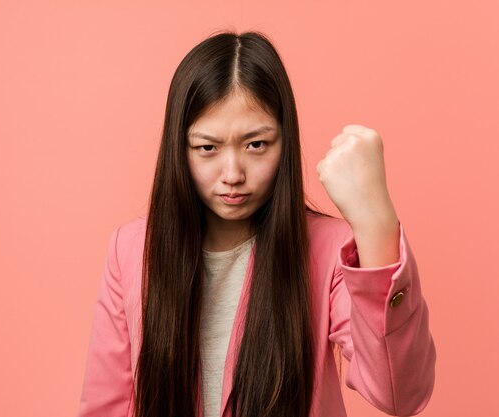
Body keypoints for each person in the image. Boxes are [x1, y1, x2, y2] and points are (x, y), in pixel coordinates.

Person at [76, 31, 436, 417]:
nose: (232, 174)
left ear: (286, 140)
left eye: (256, 145)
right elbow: (107, 406)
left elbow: (400, 394)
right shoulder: (130, 249)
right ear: (178, 149)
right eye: (207, 148)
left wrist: (375, 219)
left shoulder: (331, 248)